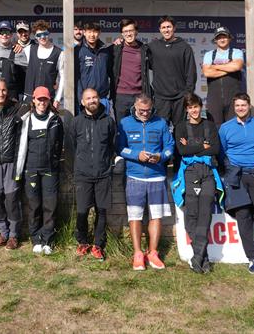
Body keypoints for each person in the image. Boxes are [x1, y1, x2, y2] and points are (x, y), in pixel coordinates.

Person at [218, 93, 254, 275]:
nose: (240, 108)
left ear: (249, 106)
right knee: (243, 216)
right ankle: (252, 257)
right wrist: (229, 169)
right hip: (236, 176)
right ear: (234, 108)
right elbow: (222, 152)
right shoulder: (225, 128)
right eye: (237, 106)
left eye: (243, 105)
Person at [117, 94, 175, 271]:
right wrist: (136, 155)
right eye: (141, 111)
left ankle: (153, 252)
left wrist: (161, 157)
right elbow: (119, 148)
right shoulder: (125, 123)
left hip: (157, 176)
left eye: (148, 110)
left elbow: (169, 147)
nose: (145, 114)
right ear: (135, 107)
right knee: (135, 216)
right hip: (134, 176)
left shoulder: (161, 123)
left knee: (156, 215)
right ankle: (137, 253)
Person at [170, 93, 221, 273]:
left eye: (196, 106)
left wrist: (195, 149)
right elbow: (182, 151)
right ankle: (202, 257)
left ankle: (198, 257)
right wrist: (203, 147)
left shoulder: (209, 125)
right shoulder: (181, 127)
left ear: (201, 107)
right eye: (190, 107)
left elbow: (215, 148)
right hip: (189, 173)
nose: (194, 110)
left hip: (208, 173)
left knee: (205, 212)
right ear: (186, 109)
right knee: (191, 214)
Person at [15, 86, 64, 255]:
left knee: (50, 206)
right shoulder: (26, 120)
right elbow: (20, 146)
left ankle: (48, 239)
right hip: (31, 168)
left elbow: (61, 143)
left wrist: (56, 161)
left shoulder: (56, 119)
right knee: (34, 205)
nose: (42, 102)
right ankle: (36, 239)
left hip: (50, 169)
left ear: (49, 100)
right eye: (39, 99)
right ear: (33, 100)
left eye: (45, 99)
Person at [73, 88, 116, 262]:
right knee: (82, 210)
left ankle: (98, 244)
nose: (92, 100)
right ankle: (82, 241)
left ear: (99, 100)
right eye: (88, 98)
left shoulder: (108, 121)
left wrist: (107, 164)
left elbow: (112, 145)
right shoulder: (76, 122)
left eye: (95, 97)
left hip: (103, 174)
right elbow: (71, 146)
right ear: (82, 102)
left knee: (102, 211)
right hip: (83, 174)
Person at [0, 78, 24, 250]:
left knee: (12, 198)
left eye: (4, 90)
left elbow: (30, 106)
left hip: (10, 160)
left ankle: (14, 235)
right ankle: (3, 232)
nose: (1, 94)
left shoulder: (16, 108)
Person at [148, 16, 196, 132]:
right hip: (160, 97)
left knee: (180, 130)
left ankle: (179, 151)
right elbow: (137, 50)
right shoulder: (153, 46)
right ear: (160, 30)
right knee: (160, 130)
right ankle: (163, 151)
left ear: (174, 28)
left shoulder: (185, 47)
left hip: (180, 97)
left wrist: (187, 94)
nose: (166, 30)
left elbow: (191, 72)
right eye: (163, 27)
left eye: (169, 27)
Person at [112, 18, 152, 121]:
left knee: (140, 127)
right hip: (121, 97)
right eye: (125, 31)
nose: (128, 34)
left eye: (131, 31)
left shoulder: (145, 50)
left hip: (139, 96)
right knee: (121, 129)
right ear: (122, 33)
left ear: (136, 32)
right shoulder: (115, 49)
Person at [201, 27, 243, 124]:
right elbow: (207, 72)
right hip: (214, 98)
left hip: (233, 96)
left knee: (233, 126)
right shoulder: (209, 54)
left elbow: (237, 66)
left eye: (224, 37)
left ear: (229, 38)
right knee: (214, 127)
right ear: (215, 40)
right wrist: (229, 68)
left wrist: (215, 66)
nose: (222, 39)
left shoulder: (236, 52)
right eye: (219, 38)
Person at [23, 20, 65, 108]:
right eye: (39, 35)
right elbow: (10, 48)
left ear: (49, 34)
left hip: (48, 99)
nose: (42, 37)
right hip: (30, 98)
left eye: (45, 34)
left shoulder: (59, 53)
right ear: (35, 36)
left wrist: (57, 98)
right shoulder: (28, 49)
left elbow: (62, 77)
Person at [75, 21, 114, 108]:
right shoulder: (78, 51)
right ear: (84, 33)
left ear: (99, 33)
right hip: (85, 99)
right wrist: (80, 98)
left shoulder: (105, 52)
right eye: (89, 32)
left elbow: (111, 73)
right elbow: (76, 77)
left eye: (95, 32)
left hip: (102, 99)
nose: (92, 35)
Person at [0, 20, 25, 100]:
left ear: (11, 34)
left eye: (7, 32)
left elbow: (25, 76)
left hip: (11, 97)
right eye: (1, 32)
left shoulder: (18, 51)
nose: (4, 35)